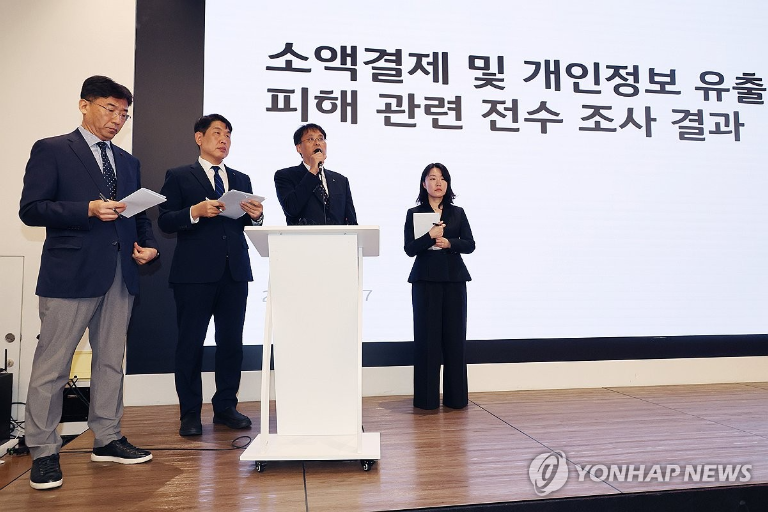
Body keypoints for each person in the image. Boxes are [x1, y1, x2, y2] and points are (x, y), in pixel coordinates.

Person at [19, 75, 159, 490]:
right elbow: (32, 209)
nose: (117, 119)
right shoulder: (52, 149)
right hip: (70, 273)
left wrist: (148, 246)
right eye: (109, 109)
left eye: (124, 114)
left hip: (120, 273)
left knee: (111, 360)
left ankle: (107, 438)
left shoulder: (128, 161)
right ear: (85, 105)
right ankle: (43, 450)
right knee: (53, 365)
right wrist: (87, 209)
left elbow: (139, 215)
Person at [158, 114, 264, 437]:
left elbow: (244, 224)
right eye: (217, 133)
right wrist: (195, 211)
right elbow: (164, 220)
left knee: (231, 343)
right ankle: (190, 413)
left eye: (228, 134)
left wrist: (256, 217)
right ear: (199, 137)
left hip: (234, 273)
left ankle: (226, 407)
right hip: (194, 275)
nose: (224, 139)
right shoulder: (179, 176)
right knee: (190, 344)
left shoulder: (240, 178)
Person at [404, 163, 475, 410]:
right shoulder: (414, 213)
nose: (438, 183)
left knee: (455, 340)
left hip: (454, 279)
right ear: (424, 183)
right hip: (425, 281)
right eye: (432, 178)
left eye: (443, 178)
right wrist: (430, 237)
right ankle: (427, 400)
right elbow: (409, 249)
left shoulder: (458, 212)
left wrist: (449, 243)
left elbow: (470, 244)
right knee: (427, 340)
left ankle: (456, 399)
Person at [274, 123, 357, 225]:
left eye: (321, 139)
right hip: (303, 235)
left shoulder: (341, 180)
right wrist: (313, 171)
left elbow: (351, 221)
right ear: (299, 148)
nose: (317, 143)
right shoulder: (285, 176)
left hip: (337, 235)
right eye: (310, 139)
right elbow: (292, 208)